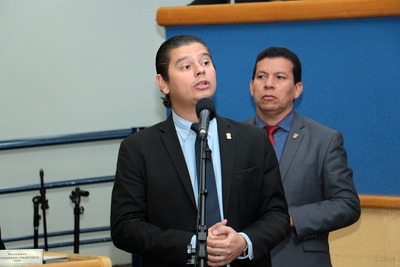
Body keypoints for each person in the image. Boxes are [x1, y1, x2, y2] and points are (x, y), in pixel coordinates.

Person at [110, 35, 290, 267]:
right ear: (163, 83)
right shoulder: (139, 149)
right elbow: (125, 227)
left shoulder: (253, 139)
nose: (200, 71)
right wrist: (196, 244)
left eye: (205, 63)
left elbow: (278, 215)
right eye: (186, 66)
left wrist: (244, 242)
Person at [246, 46, 361, 266]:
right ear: (252, 87)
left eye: (280, 77)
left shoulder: (325, 140)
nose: (268, 84)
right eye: (261, 76)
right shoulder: (232, 136)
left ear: (297, 89)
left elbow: (347, 205)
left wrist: (289, 218)